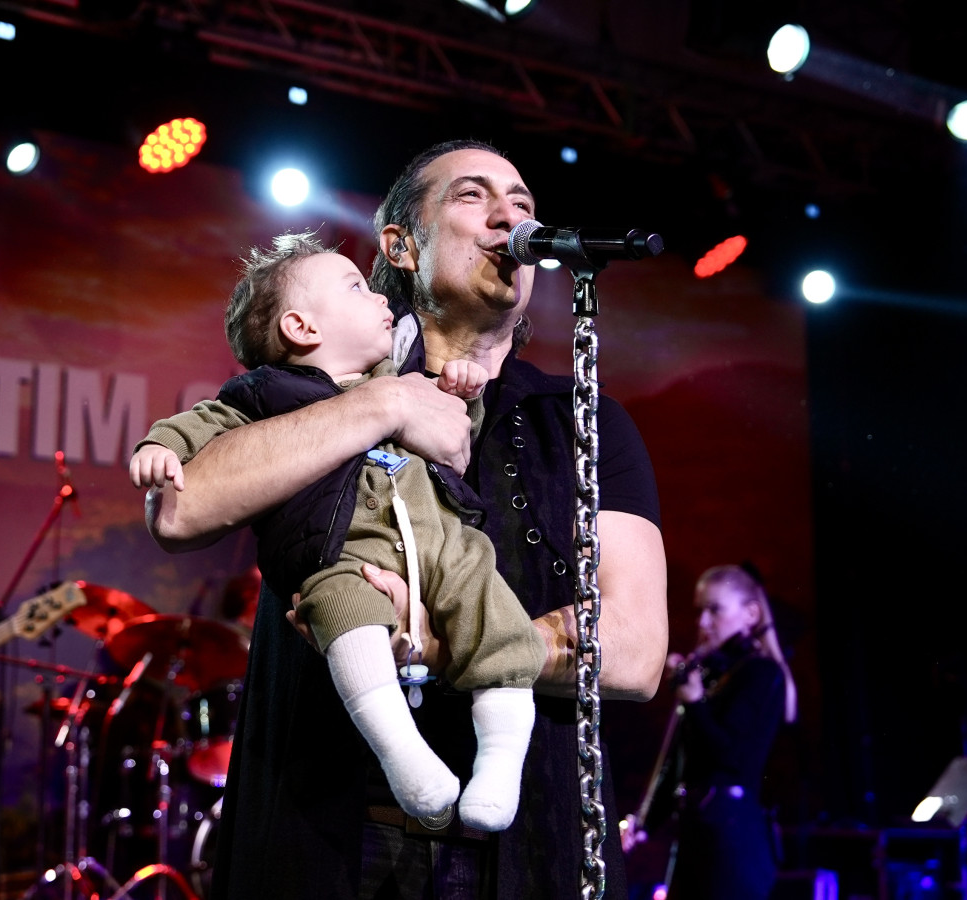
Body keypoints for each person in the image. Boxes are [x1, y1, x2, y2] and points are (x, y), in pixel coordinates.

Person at [138, 140, 667, 899]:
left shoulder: (586, 421)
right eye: (473, 196)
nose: (510, 216)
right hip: (326, 839)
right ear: (400, 246)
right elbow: (179, 508)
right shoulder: (307, 388)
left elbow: (638, 652)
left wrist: (438, 647)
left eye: (522, 202)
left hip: (530, 848)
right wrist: (386, 401)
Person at [131, 233, 546, 831]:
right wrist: (156, 448)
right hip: (341, 553)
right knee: (341, 608)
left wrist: (464, 392)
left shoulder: (403, 376)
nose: (378, 297)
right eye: (356, 287)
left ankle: (500, 769)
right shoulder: (263, 394)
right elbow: (196, 425)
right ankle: (405, 757)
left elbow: (457, 436)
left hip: (443, 541)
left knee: (497, 617)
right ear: (301, 328)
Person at [622, 565, 796, 900]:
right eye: (700, 610)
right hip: (695, 834)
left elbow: (731, 756)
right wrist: (645, 823)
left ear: (750, 614)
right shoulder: (710, 673)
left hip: (731, 843)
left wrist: (696, 702)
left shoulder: (761, 673)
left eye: (715, 610)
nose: (703, 622)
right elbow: (679, 758)